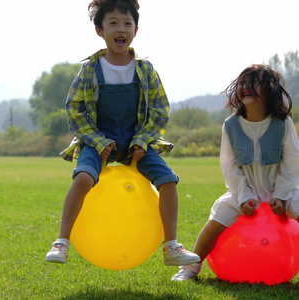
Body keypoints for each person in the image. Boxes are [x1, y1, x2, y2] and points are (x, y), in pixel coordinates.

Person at [45, 0, 200, 267]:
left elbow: (160, 110)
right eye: (113, 23)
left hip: (136, 142)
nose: (121, 29)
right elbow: (74, 109)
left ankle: (172, 246)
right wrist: (97, 141)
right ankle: (62, 242)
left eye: (127, 23)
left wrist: (142, 141)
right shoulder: (90, 69)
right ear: (99, 30)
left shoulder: (146, 70)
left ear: (136, 30)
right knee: (82, 178)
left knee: (168, 181)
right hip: (97, 141)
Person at [172, 64, 299, 281]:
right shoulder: (231, 125)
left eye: (254, 82)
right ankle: (192, 265)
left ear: (269, 89)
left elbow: (292, 163)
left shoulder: (283, 123)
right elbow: (229, 166)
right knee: (217, 218)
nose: (246, 87)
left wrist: (281, 195)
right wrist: (244, 196)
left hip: (282, 190)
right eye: (243, 83)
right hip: (244, 190)